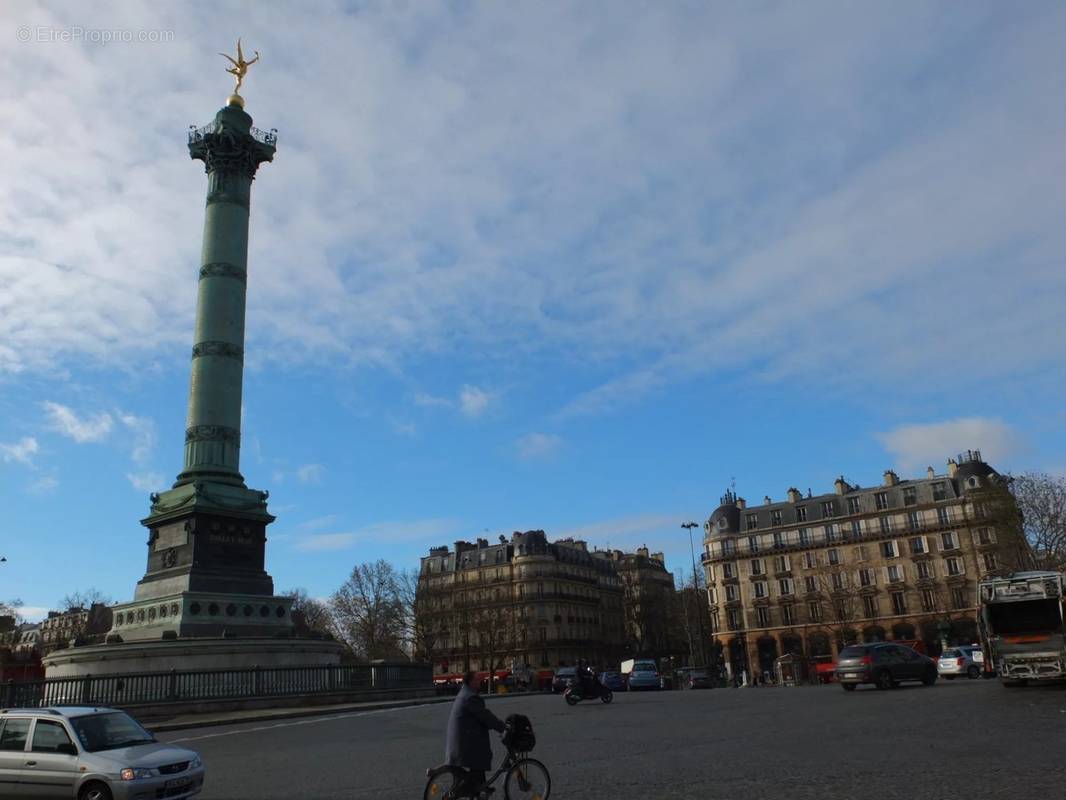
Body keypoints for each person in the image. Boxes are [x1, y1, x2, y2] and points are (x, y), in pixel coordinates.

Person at [445, 671, 506, 797]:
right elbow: (486, 717)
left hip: (459, 740)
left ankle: (480, 788)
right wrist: (503, 727)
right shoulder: (471, 697)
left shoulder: (464, 693)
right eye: (477, 680)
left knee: (478, 763)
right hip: (463, 745)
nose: (480, 682)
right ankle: (463, 791)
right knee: (480, 755)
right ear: (471, 682)